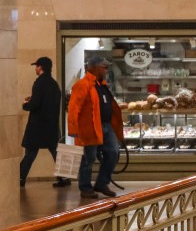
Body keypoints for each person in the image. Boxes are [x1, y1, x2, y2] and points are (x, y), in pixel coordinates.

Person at [67, 55, 124, 199]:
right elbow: (74, 108)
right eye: (104, 67)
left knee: (113, 153)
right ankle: (85, 188)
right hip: (89, 128)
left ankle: (101, 183)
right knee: (88, 158)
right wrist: (73, 129)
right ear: (94, 68)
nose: (106, 70)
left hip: (106, 126)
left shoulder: (101, 84)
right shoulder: (82, 85)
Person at [20, 56, 71, 188]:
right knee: (56, 153)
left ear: (40, 67)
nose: (35, 69)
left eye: (36, 66)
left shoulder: (39, 83)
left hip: (37, 126)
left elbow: (35, 105)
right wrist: (34, 98)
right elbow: (48, 101)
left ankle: (20, 178)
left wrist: (26, 104)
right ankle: (64, 178)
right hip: (52, 126)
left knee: (30, 154)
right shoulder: (54, 84)